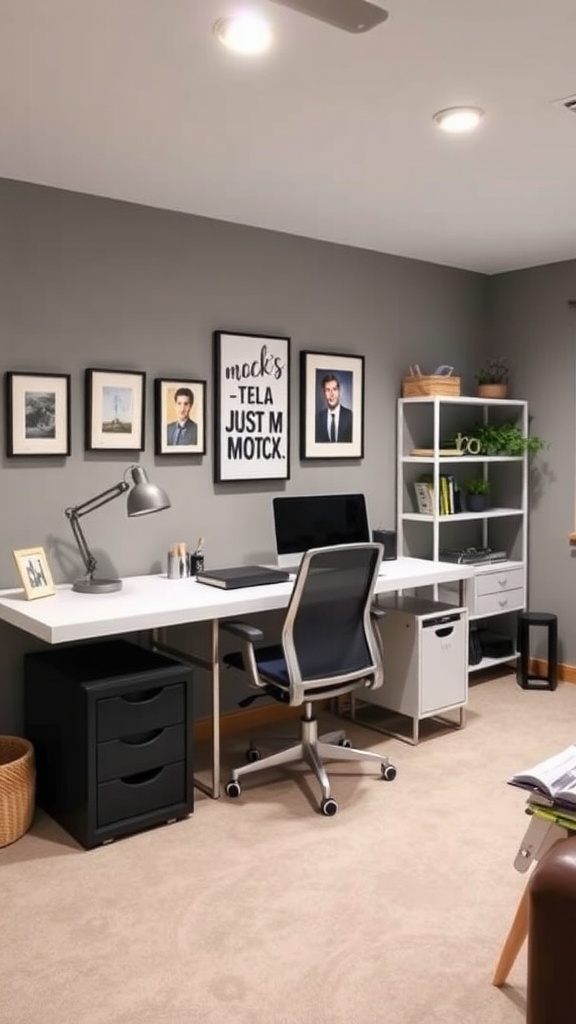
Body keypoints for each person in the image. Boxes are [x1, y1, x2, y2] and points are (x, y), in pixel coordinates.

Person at [314, 373, 353, 443]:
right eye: (328, 390)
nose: (331, 394)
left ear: (339, 391)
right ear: (324, 393)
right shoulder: (319, 417)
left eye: (334, 389)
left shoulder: (349, 416)